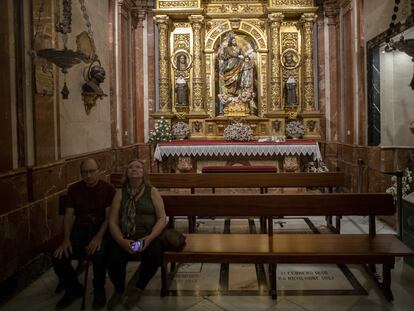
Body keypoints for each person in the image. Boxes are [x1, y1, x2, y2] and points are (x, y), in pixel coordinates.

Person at [52, 158, 116, 310]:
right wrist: (66, 240)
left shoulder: (108, 189)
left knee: (99, 254)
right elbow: (69, 216)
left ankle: (99, 290)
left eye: (92, 171)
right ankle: (73, 289)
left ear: (98, 171)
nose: (88, 175)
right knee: (59, 257)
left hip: (101, 230)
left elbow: (109, 218)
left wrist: (98, 238)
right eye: (84, 172)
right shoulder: (74, 189)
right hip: (80, 229)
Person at [107, 159, 167, 310]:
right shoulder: (120, 193)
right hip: (126, 236)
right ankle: (119, 289)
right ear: (126, 173)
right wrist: (121, 241)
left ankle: (139, 288)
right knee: (113, 257)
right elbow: (113, 221)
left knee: (154, 255)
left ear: (143, 172)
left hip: (147, 236)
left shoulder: (151, 191)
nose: (134, 169)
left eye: (138, 167)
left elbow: (161, 218)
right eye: (131, 167)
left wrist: (149, 238)